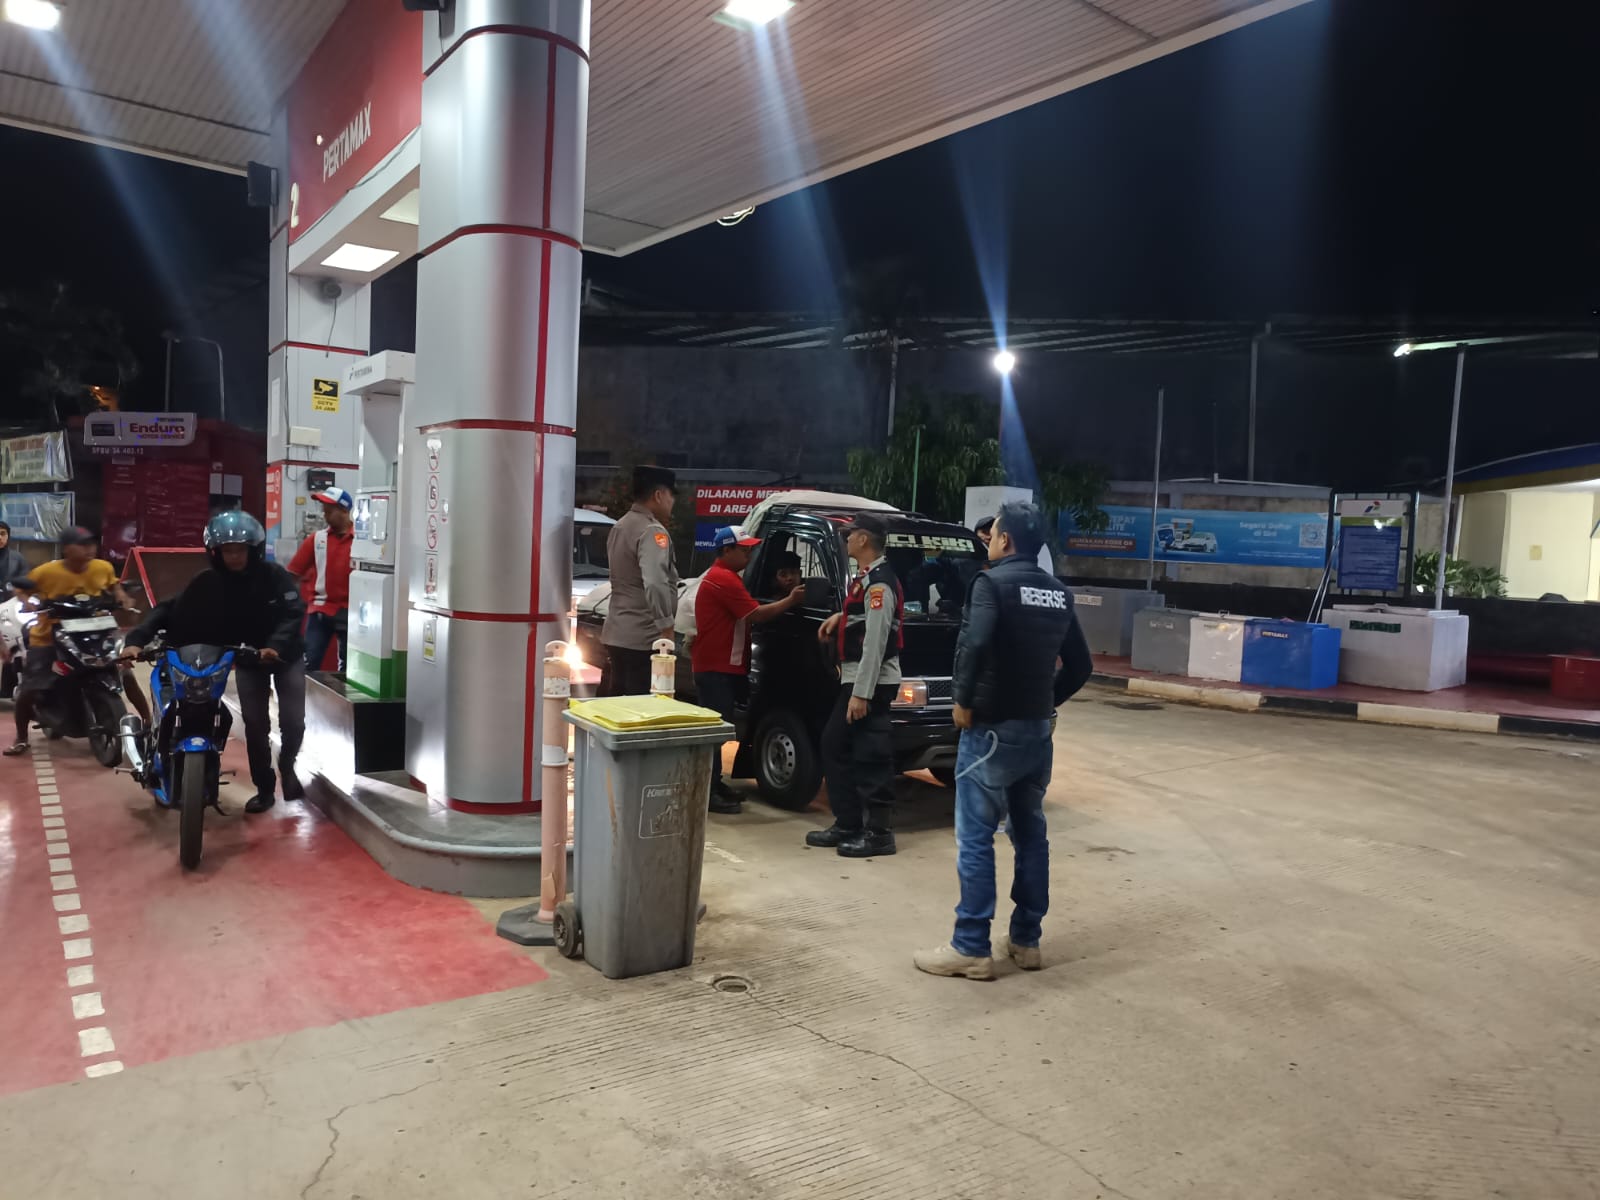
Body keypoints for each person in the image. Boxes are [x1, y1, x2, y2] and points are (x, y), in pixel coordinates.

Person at [914, 501, 1093, 982]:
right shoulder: (1058, 593)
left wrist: (962, 700)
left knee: (975, 837)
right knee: (1030, 832)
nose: (989, 542)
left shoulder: (990, 584)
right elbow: (1082, 666)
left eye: (992, 534)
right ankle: (1026, 940)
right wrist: (1045, 702)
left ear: (1005, 540)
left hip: (991, 731)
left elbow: (974, 642)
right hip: (1037, 732)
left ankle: (971, 946)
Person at [121, 511, 308, 814]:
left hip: (285, 656)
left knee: (293, 721)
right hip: (246, 659)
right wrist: (136, 640)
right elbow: (169, 609)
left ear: (253, 549)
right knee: (255, 726)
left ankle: (287, 766)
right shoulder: (207, 581)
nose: (234, 556)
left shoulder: (274, 576)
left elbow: (293, 612)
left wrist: (274, 646)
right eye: (227, 550)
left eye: (240, 550)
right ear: (215, 552)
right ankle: (264, 789)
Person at [808, 512, 903, 858]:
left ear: (864, 539)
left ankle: (879, 834)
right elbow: (866, 620)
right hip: (858, 679)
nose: (846, 539)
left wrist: (862, 693)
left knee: (870, 754)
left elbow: (876, 641)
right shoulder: (867, 579)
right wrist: (841, 617)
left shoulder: (879, 584)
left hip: (870, 683)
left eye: (851, 534)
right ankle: (848, 823)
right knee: (835, 746)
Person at [693, 525, 805, 814]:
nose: (749, 555)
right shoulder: (722, 579)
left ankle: (715, 783)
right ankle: (708, 791)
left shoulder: (727, 577)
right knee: (714, 732)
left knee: (720, 728)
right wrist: (791, 600)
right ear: (726, 550)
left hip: (722, 665)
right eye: (744, 550)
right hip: (716, 667)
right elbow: (756, 614)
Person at [5, 527, 136, 756]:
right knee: (32, 687)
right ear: (67, 549)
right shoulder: (46, 572)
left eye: (91, 544)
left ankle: (146, 723)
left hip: (94, 630)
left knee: (124, 670)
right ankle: (21, 737)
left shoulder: (102, 567)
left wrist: (121, 596)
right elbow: (21, 588)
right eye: (82, 545)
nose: (89, 549)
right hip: (49, 635)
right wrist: (26, 602)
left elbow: (113, 584)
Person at [601, 466, 679, 696]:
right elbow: (655, 582)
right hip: (644, 638)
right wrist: (666, 626)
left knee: (617, 705)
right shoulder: (652, 531)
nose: (672, 501)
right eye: (671, 495)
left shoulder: (620, 525)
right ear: (658, 495)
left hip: (617, 631)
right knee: (641, 706)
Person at [287, 486, 354, 673]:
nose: (325, 515)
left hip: (351, 612)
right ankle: (305, 691)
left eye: (330, 510)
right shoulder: (316, 540)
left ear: (344, 510)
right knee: (309, 661)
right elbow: (293, 572)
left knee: (349, 667)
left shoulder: (360, 541)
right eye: (324, 510)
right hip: (320, 610)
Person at [0, 521, 28, 587]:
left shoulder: (18, 558)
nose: (0, 537)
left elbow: (25, 580)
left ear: (8, 536)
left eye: (3, 534)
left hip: (10, 593)